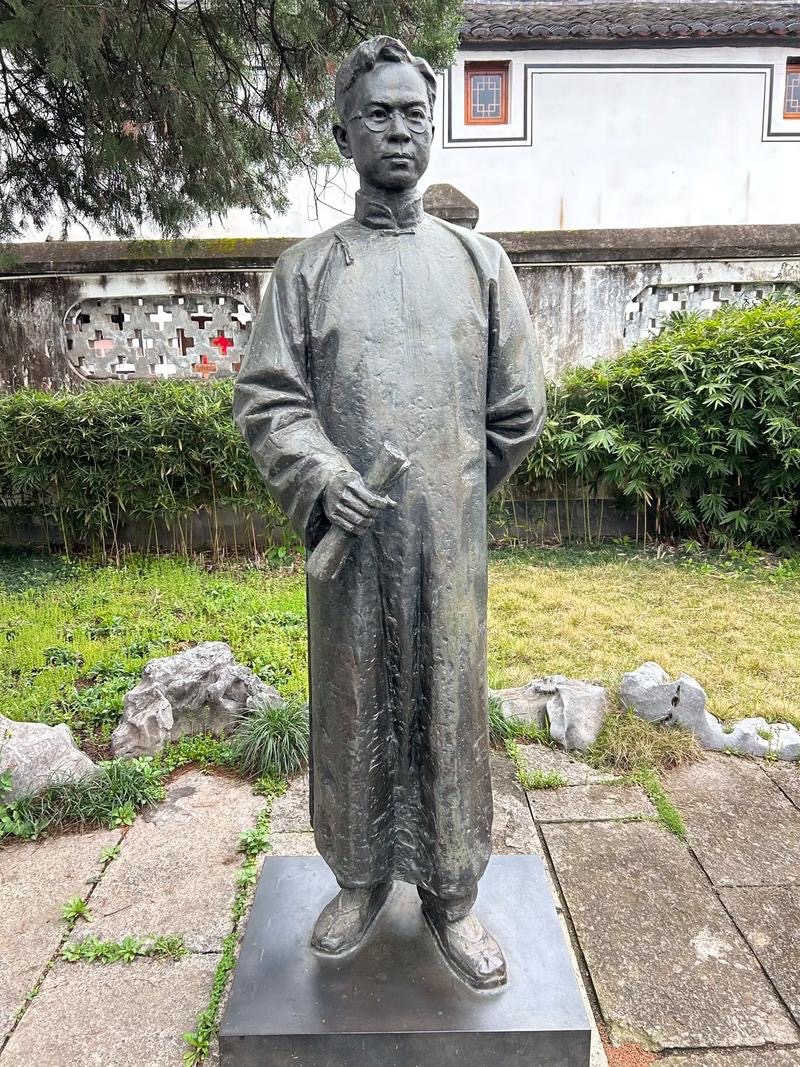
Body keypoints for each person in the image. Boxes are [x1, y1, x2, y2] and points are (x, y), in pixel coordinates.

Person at [233, 35, 546, 990]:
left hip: (448, 550)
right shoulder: (306, 272)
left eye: (415, 113)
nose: (400, 130)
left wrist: (455, 491)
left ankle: (453, 893)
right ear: (344, 133)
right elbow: (269, 398)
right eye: (379, 114)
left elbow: (518, 408)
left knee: (447, 703)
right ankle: (360, 877)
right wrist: (324, 478)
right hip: (352, 547)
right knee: (355, 699)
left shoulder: (480, 263)